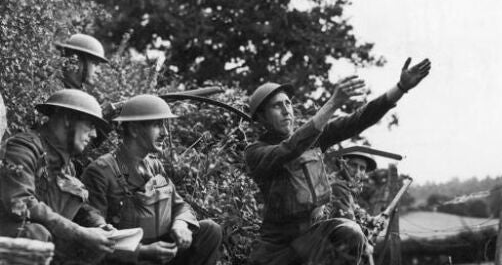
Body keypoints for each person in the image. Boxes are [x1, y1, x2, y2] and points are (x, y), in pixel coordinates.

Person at [245, 57, 431, 265]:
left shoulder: (313, 139)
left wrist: (400, 88)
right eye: (277, 106)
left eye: (288, 103)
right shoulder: (256, 152)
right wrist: (332, 103)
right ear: (261, 117)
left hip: (311, 242)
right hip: (277, 254)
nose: (286, 110)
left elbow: (358, 120)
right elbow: (289, 149)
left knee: (350, 232)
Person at [82, 94, 223, 264]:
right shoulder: (101, 171)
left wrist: (180, 224)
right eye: (157, 125)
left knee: (210, 230)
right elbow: (93, 237)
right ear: (134, 129)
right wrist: (141, 252)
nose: (164, 132)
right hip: (128, 258)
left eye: (164, 125)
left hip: (160, 251)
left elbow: (178, 205)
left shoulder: (154, 166)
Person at [0, 89, 116, 263]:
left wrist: (98, 225)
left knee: (95, 246)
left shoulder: (66, 164)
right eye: (90, 125)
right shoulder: (23, 149)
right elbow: (20, 204)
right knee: (35, 234)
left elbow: (78, 208)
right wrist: (79, 232)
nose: (94, 135)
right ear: (68, 119)